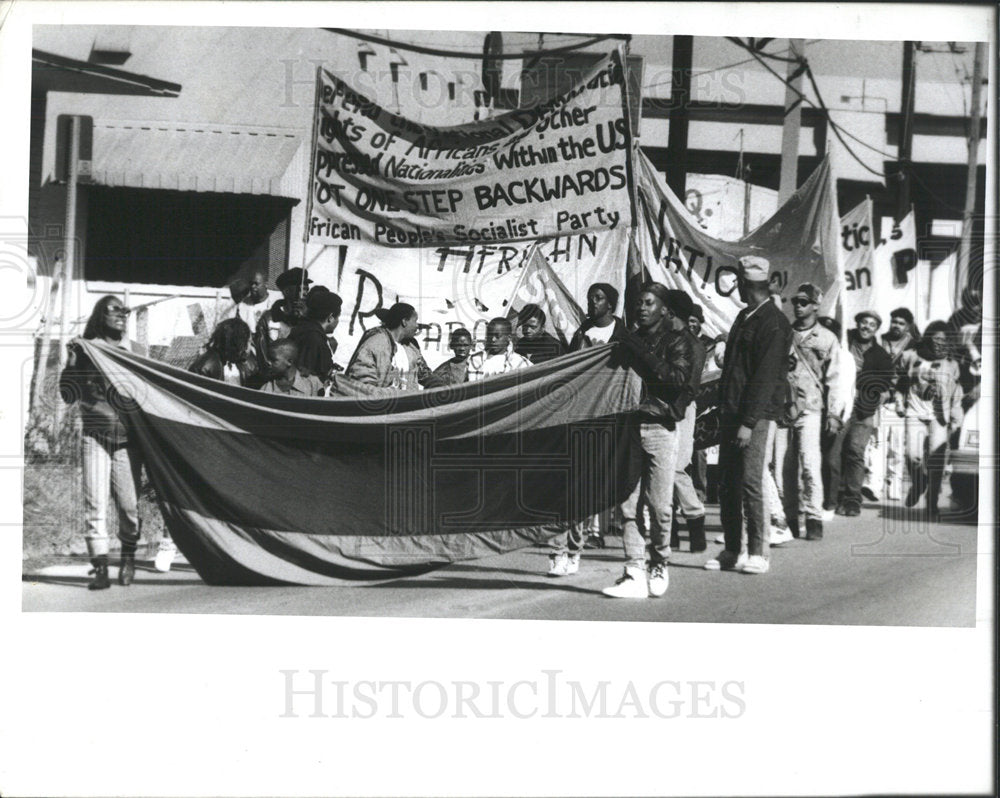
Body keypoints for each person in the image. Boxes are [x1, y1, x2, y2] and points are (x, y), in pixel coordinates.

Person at [59, 296, 162, 588]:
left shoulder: (138, 352)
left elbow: (153, 393)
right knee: (95, 504)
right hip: (95, 436)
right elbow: (68, 396)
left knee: (129, 508)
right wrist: (71, 364)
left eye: (125, 311)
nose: (122, 314)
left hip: (129, 440)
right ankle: (100, 567)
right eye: (114, 310)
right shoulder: (86, 348)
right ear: (100, 316)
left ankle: (128, 556)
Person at [602, 282, 694, 598]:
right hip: (628, 427)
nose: (641, 308)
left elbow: (676, 381)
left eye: (648, 302)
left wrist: (639, 351)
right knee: (628, 504)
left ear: (663, 310)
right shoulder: (630, 340)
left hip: (659, 428)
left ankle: (659, 562)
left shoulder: (678, 341)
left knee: (659, 506)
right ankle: (633, 569)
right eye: (638, 303)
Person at [704, 256, 792, 576]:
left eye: (739, 283)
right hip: (732, 412)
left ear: (746, 284)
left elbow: (765, 378)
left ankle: (759, 551)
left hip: (754, 416)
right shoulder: (744, 316)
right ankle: (732, 549)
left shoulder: (774, 323)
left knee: (751, 482)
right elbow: (733, 370)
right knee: (728, 482)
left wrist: (748, 422)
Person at [548, 284, 628, 575]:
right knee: (563, 486)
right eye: (590, 298)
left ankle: (575, 549)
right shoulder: (581, 334)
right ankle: (557, 552)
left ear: (611, 304)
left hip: (607, 418)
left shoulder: (624, 336)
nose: (592, 304)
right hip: (577, 416)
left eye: (598, 299)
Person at [782, 283, 843, 541]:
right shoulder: (784, 334)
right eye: (795, 301)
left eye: (804, 302)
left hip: (811, 408)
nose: (798, 306)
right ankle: (789, 517)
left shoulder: (827, 338)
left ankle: (814, 516)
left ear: (816, 305)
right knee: (785, 468)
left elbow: (835, 379)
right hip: (784, 408)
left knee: (809, 463)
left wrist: (834, 414)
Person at [895, 321, 964, 518]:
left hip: (938, 417)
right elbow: (899, 381)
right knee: (912, 455)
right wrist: (899, 401)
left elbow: (956, 392)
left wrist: (956, 416)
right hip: (915, 413)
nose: (940, 343)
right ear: (928, 337)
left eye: (944, 340)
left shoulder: (951, 364)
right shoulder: (910, 356)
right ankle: (919, 483)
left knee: (936, 460)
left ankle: (932, 502)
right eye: (937, 339)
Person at [835, 311, 895, 516]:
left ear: (876, 329)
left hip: (863, 410)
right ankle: (833, 495)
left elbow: (886, 383)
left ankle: (852, 500)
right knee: (834, 451)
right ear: (857, 323)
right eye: (863, 322)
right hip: (840, 405)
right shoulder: (844, 341)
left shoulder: (880, 355)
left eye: (872, 324)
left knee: (855, 451)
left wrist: (870, 395)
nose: (866, 327)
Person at [663, 290, 708, 554]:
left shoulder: (694, 345)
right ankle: (670, 530)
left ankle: (695, 519)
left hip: (681, 408)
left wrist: (675, 409)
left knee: (676, 466)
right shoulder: (665, 338)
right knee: (662, 469)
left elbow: (690, 386)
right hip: (665, 407)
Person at [876, 307, 921, 501]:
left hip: (900, 399)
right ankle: (875, 484)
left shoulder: (914, 345)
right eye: (894, 321)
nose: (896, 325)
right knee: (878, 444)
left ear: (908, 326)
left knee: (896, 444)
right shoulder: (880, 340)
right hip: (879, 397)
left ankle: (894, 485)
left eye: (901, 323)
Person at [346, 302, 443, 390]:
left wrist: (443, 388)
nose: (417, 326)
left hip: (406, 405)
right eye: (415, 321)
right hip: (381, 406)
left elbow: (425, 374)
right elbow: (362, 380)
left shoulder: (412, 347)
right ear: (404, 321)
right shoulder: (376, 343)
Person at [686, 304, 712, 503]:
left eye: (694, 321)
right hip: (684, 403)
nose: (691, 325)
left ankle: (699, 495)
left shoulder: (709, 346)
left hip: (703, 406)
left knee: (699, 452)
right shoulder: (680, 341)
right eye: (688, 321)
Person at [289, 287, 342, 382]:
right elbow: (306, 375)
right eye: (338, 317)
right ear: (330, 318)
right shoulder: (314, 339)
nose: (338, 321)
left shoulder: (301, 328)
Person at [188, 317, 258, 387]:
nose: (249, 347)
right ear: (237, 344)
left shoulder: (247, 361)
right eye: (248, 342)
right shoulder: (203, 369)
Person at [467, 318, 532, 381]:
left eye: (497, 336)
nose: (493, 339)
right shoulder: (474, 359)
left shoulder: (519, 363)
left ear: (509, 338)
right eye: (490, 335)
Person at [259, 339, 325, 396]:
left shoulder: (313, 384)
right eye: (268, 359)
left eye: (273, 360)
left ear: (289, 362)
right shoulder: (266, 388)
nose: (268, 363)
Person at [270, 267, 312, 338]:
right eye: (302, 289)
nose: (305, 293)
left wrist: (305, 319)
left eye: (307, 290)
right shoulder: (270, 318)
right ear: (287, 292)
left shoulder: (310, 317)